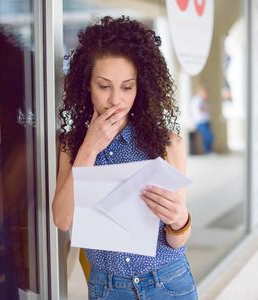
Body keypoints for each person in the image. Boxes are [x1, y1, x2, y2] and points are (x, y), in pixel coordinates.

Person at [52, 16, 197, 300]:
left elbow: (176, 239)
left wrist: (180, 220)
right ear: (87, 85)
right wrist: (89, 149)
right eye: (104, 86)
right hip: (107, 288)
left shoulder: (167, 143)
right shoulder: (73, 145)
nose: (116, 99)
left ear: (140, 87)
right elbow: (63, 219)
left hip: (168, 281)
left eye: (127, 87)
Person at [190, 86, 214, 154]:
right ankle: (208, 151)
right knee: (208, 136)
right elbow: (200, 108)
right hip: (200, 122)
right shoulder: (197, 99)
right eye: (205, 93)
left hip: (205, 121)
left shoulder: (201, 100)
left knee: (209, 136)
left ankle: (209, 151)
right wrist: (206, 107)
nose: (207, 94)